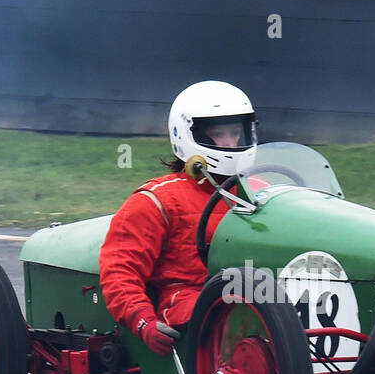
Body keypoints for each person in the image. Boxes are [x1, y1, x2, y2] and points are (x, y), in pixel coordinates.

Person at [99, 81, 259, 356]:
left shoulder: (262, 190)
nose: (231, 143)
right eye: (220, 134)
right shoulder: (156, 200)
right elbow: (120, 271)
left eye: (237, 133)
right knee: (242, 315)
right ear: (189, 135)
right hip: (192, 303)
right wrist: (143, 321)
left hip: (263, 299)